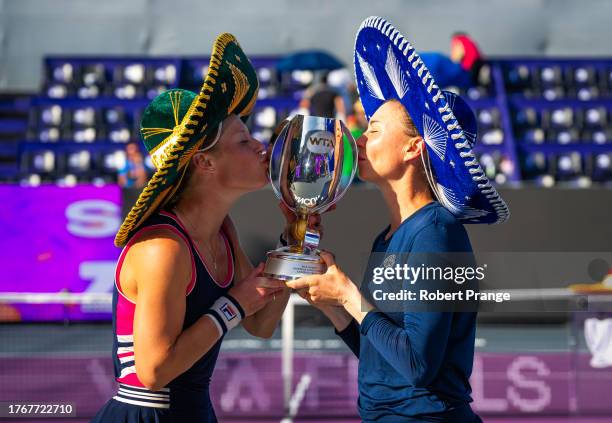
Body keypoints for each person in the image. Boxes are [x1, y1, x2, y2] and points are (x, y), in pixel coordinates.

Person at [287, 17, 509, 422]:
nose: (358, 138)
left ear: (413, 148)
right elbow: (383, 358)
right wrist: (333, 305)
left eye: (373, 128)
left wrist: (351, 296)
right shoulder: (387, 237)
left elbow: (419, 367)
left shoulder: (437, 232)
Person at [92, 33, 306, 423]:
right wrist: (233, 305)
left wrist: (295, 242)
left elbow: (262, 323)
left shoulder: (222, 229)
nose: (261, 147)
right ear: (204, 163)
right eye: (244, 140)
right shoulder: (163, 248)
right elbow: (154, 372)